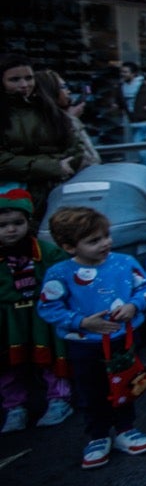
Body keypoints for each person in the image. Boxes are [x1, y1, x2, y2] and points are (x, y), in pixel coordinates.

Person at [38, 206, 146, 469]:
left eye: (105, 236)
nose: (105, 243)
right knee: (91, 390)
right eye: (94, 241)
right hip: (83, 344)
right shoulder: (59, 273)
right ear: (70, 247)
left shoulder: (124, 262)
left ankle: (126, 429)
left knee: (126, 383)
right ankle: (98, 436)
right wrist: (81, 322)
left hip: (121, 339)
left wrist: (134, 305)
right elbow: (48, 307)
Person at [0, 185, 73, 432]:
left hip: (42, 315)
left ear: (27, 222)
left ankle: (59, 399)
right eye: (3, 225)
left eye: (17, 223)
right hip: (8, 319)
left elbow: (64, 275)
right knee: (9, 364)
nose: (11, 229)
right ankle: (14, 407)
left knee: (50, 357)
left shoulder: (47, 251)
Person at [1, 55, 89, 211]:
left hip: (58, 191)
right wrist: (53, 166)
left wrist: (62, 165)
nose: (24, 85)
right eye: (14, 80)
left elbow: (76, 147)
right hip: (15, 199)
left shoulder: (49, 110)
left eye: (29, 78)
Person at [116, 61, 146, 163]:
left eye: (125, 72)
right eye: (122, 72)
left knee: (139, 144)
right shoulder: (121, 87)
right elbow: (120, 102)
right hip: (134, 121)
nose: (122, 74)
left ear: (133, 74)